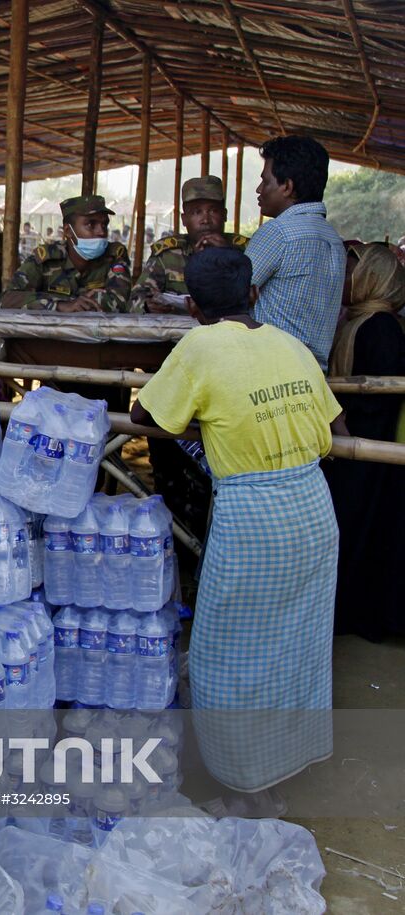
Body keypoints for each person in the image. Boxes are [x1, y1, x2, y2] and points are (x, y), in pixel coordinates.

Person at [131, 246, 345, 796]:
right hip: (314, 509)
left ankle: (239, 776)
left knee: (225, 650)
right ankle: (294, 756)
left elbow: (144, 414)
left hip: (255, 515)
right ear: (253, 295)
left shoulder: (199, 345)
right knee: (296, 643)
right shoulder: (287, 342)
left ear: (192, 306)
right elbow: (335, 428)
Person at [324, 242, 405, 641]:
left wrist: (343, 426)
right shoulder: (358, 320)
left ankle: (357, 615)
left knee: (361, 530)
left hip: (368, 448)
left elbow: (381, 401)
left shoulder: (382, 327)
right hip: (354, 444)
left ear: (374, 278)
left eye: (354, 271)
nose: (346, 279)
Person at [248, 134, 346, 369]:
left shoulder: (278, 233)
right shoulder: (333, 239)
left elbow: (228, 299)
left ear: (287, 186)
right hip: (313, 375)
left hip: (270, 371)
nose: (259, 189)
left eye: (266, 181)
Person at [130, 176, 250, 314]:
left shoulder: (243, 251)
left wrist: (227, 256)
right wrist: (146, 306)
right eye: (196, 212)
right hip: (177, 333)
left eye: (213, 211)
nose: (205, 220)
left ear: (224, 215)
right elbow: (135, 298)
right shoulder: (168, 255)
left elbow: (256, 298)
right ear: (184, 219)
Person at [0, 194, 132, 312]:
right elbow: (8, 298)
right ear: (68, 231)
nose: (102, 232)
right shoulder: (47, 258)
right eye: (91, 225)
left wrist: (73, 302)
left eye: (104, 225)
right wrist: (60, 304)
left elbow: (121, 301)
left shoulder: (114, 256)